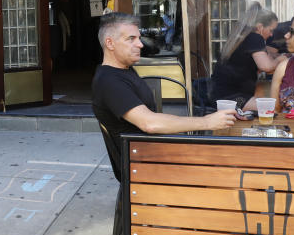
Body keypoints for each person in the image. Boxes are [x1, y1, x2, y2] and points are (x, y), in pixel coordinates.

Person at [92, 13, 236, 160]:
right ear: (110, 43)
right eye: (131, 39)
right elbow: (149, 123)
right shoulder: (110, 82)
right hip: (145, 167)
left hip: (155, 154)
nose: (140, 44)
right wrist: (207, 122)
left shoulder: (124, 70)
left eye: (139, 38)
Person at [211, 2, 287, 111]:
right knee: (272, 109)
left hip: (221, 95)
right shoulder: (255, 37)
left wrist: (275, 56)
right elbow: (267, 67)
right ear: (260, 27)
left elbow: (265, 60)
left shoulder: (243, 36)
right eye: (271, 30)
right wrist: (282, 58)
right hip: (232, 98)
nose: (271, 35)